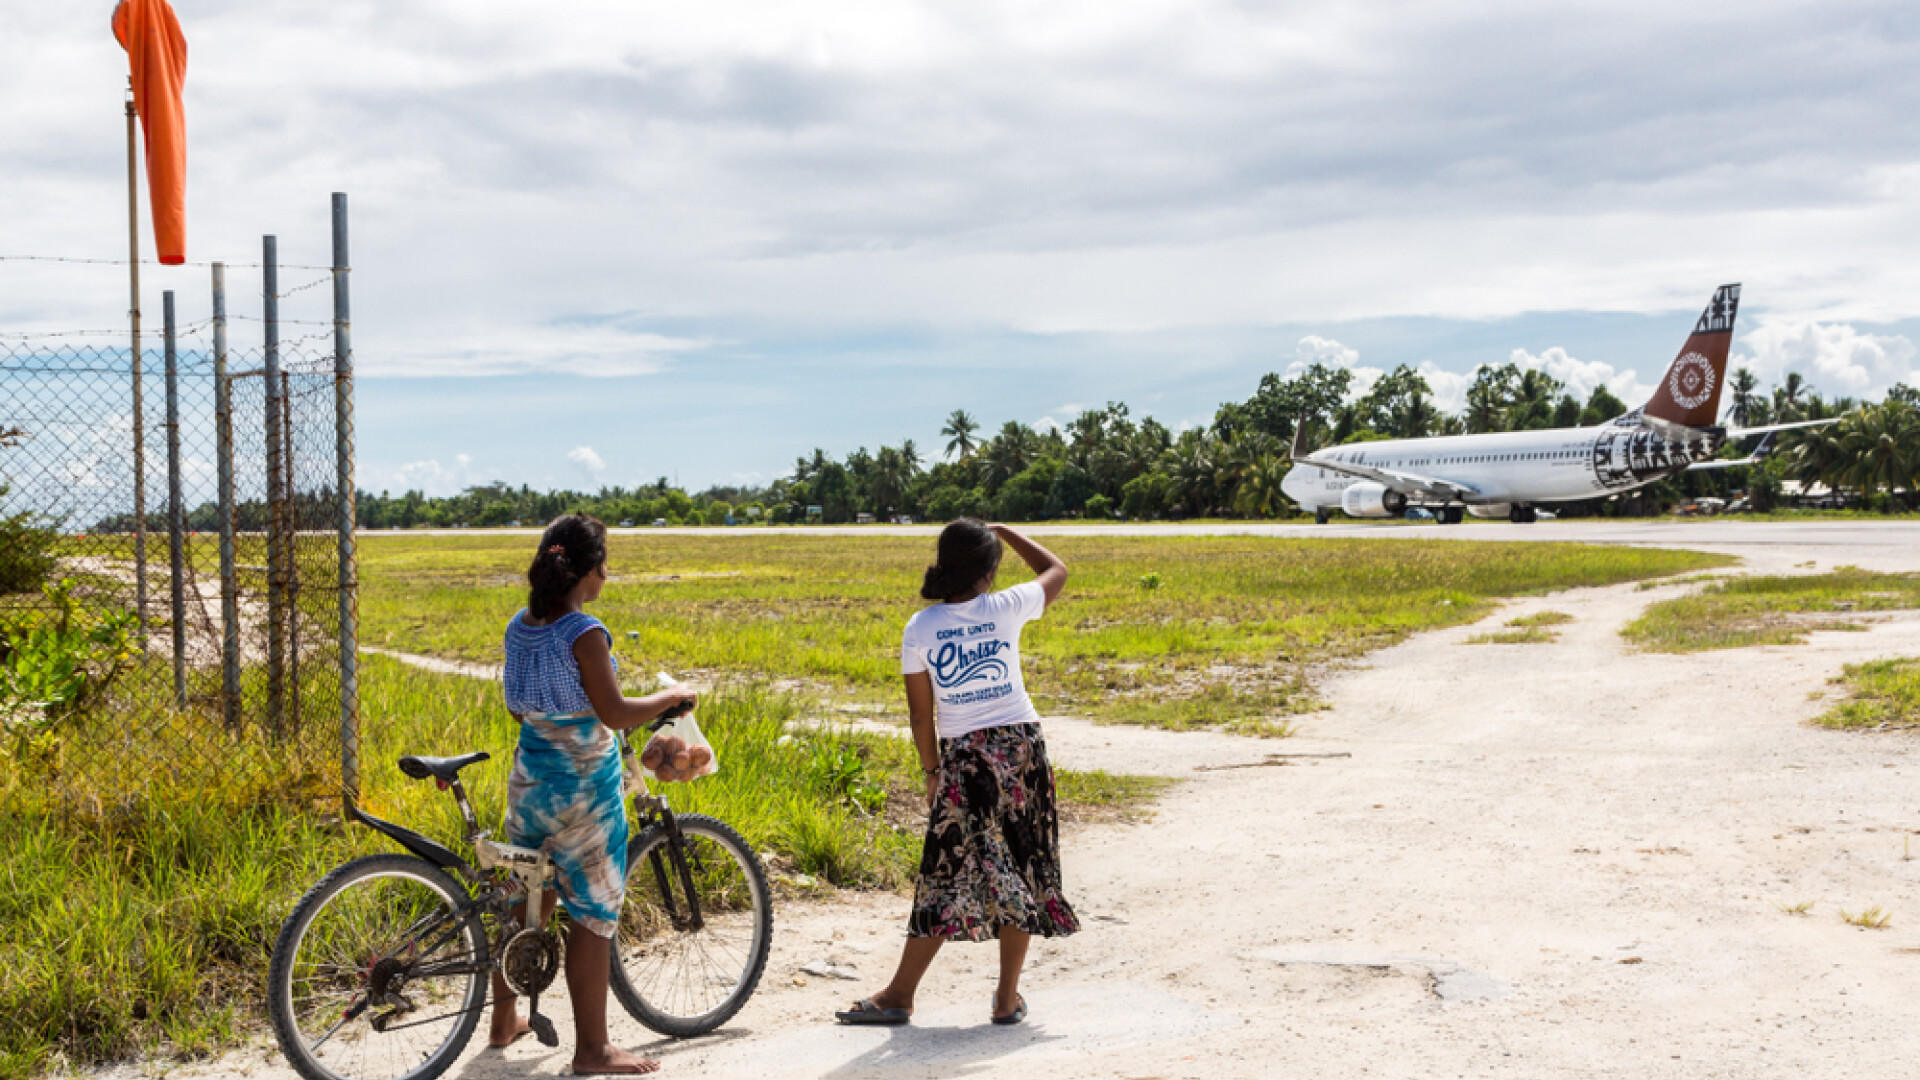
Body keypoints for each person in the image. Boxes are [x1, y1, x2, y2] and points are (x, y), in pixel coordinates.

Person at [836, 519, 1078, 1027]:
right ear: (988, 572)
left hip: (965, 758)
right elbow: (1056, 569)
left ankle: (901, 994)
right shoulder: (1007, 606)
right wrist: (1007, 532)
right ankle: (1006, 998)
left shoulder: (921, 627)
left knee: (943, 871)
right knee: (1021, 868)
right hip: (1021, 751)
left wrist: (931, 771)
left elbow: (921, 715)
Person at [492, 514, 697, 1075]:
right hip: (584, 790)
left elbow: (516, 706)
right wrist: (669, 696)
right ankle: (593, 1050)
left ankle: (504, 1020)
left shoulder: (521, 625)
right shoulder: (584, 631)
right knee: (592, 912)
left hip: (529, 782)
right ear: (594, 569)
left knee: (525, 898)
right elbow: (613, 712)